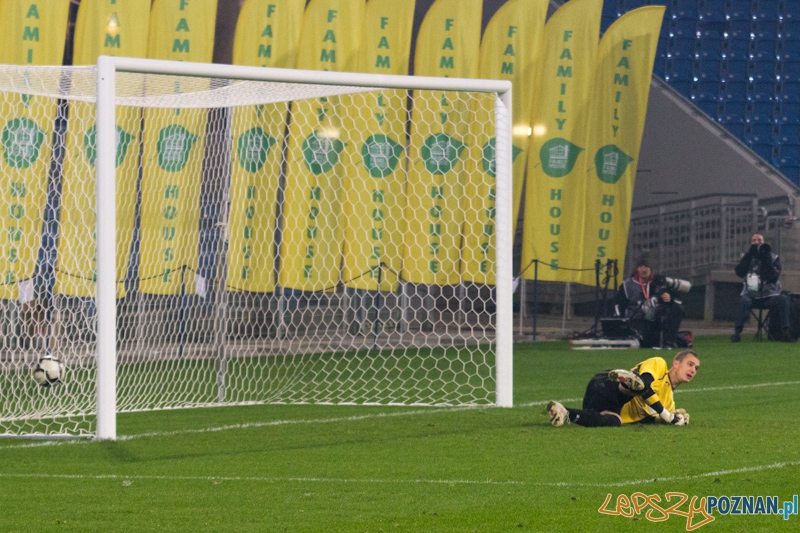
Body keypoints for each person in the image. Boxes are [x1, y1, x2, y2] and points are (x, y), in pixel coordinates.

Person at [546, 350, 700, 428]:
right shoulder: (659, 364)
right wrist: (666, 414)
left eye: (696, 368)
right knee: (637, 387)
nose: (693, 370)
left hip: (606, 405)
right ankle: (627, 382)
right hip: (606, 383)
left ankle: (564, 412)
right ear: (676, 363)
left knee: (614, 421)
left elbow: (646, 419)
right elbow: (645, 385)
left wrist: (671, 419)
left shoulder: (669, 403)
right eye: (690, 364)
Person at [613, 254, 685, 348]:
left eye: (646, 266)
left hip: (655, 320)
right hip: (636, 320)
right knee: (646, 340)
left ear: (651, 268)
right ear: (636, 268)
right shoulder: (627, 285)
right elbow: (618, 305)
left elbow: (678, 302)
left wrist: (670, 299)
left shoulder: (660, 282)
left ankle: (669, 341)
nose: (644, 269)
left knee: (677, 308)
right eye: (641, 266)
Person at [731, 233, 793, 343]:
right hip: (751, 295)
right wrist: (749, 255)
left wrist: (765, 259)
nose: (756, 242)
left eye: (759, 240)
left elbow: (773, 277)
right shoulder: (747, 257)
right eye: (754, 240)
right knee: (743, 300)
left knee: (783, 299)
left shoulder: (773, 257)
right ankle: (737, 333)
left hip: (770, 296)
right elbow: (739, 272)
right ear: (750, 243)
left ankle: (785, 332)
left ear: (763, 242)